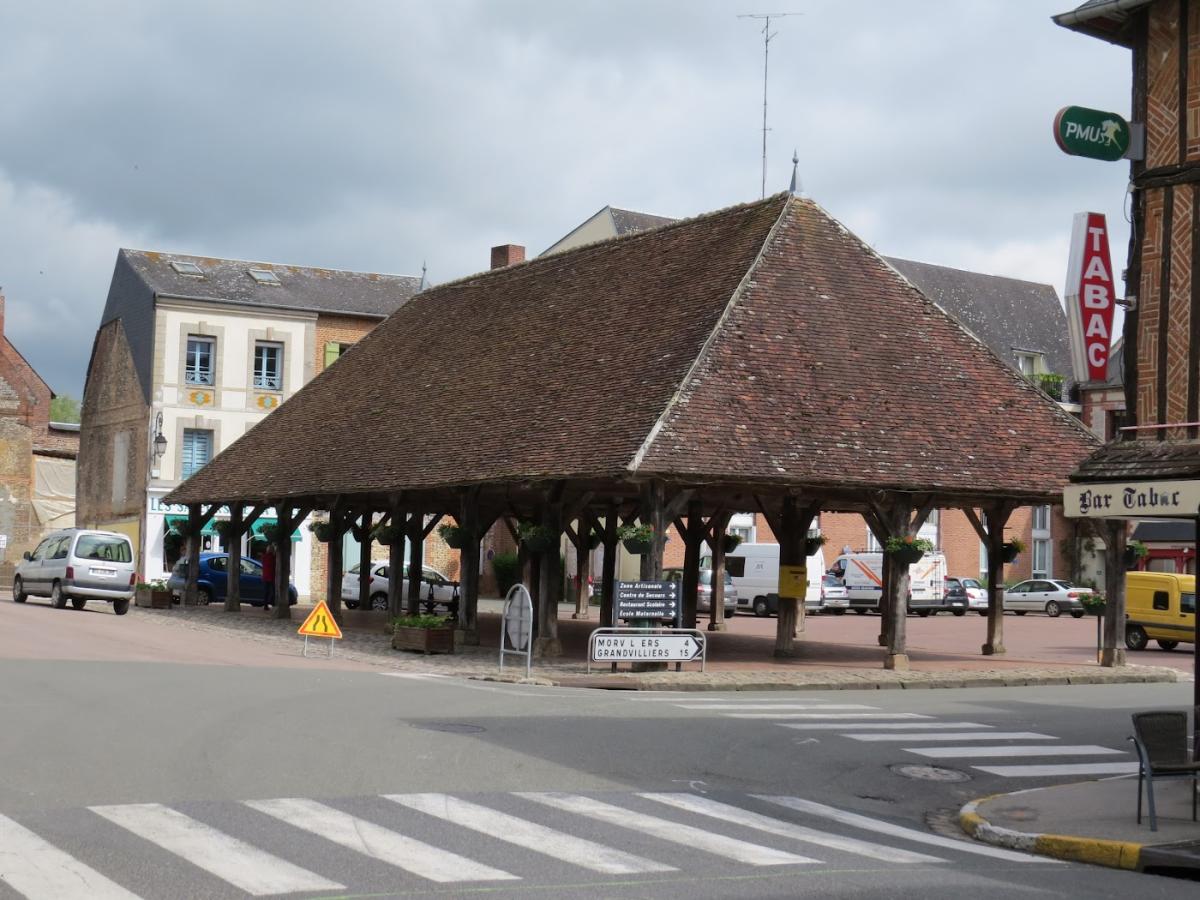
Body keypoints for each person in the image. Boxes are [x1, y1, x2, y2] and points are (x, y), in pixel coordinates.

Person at [261, 543, 277, 610]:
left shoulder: (264, 557)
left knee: (266, 591)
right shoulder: (273, 557)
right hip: (272, 576)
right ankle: (272, 602)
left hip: (265, 576)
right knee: (273, 591)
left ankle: (265, 605)